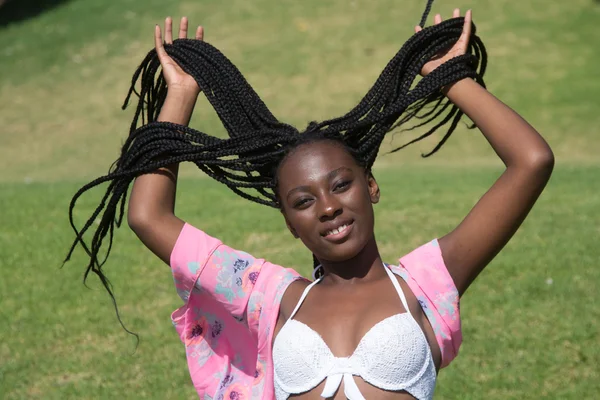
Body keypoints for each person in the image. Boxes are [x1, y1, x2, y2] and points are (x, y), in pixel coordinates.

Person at [65, 5, 554, 400]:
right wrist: (181, 93)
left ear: (371, 187)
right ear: (289, 222)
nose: (328, 206)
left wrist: (449, 77)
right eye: (303, 200)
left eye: (341, 185)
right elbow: (149, 216)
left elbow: (531, 161)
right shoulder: (272, 299)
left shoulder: (427, 283)